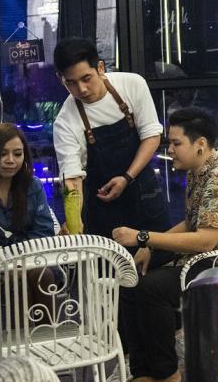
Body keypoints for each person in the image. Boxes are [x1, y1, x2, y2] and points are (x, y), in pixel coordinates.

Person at [109, 108, 218, 382]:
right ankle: (144, 370)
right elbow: (192, 222)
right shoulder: (199, 169)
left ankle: (166, 374)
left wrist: (144, 237)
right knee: (129, 276)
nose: (170, 150)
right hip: (201, 256)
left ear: (200, 144)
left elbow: (206, 239)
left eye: (176, 143)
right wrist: (149, 246)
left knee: (151, 288)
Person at [51, 38, 169, 258]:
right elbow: (72, 180)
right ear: (60, 79)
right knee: (111, 272)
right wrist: (74, 223)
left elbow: (151, 136)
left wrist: (127, 177)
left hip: (144, 194)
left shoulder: (132, 85)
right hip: (103, 208)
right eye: (71, 83)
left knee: (159, 262)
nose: (81, 89)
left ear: (100, 67)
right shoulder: (65, 121)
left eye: (86, 78)